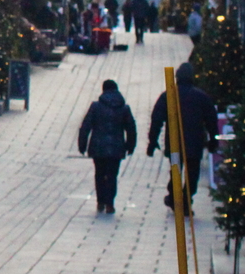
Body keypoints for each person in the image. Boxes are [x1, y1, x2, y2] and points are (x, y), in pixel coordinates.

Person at [145, 62, 219, 213]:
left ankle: (174, 197)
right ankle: (186, 200)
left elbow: (156, 119)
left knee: (175, 171)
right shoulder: (202, 97)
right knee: (192, 174)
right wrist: (213, 139)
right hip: (195, 142)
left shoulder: (168, 95)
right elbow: (211, 119)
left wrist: (152, 141)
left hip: (174, 142)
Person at [77, 79, 136, 214]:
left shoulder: (96, 106)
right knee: (112, 175)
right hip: (116, 148)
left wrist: (82, 144)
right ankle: (110, 203)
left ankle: (100, 201)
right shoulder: (124, 108)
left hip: (98, 148)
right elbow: (131, 128)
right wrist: (130, 145)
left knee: (99, 174)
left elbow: (86, 125)